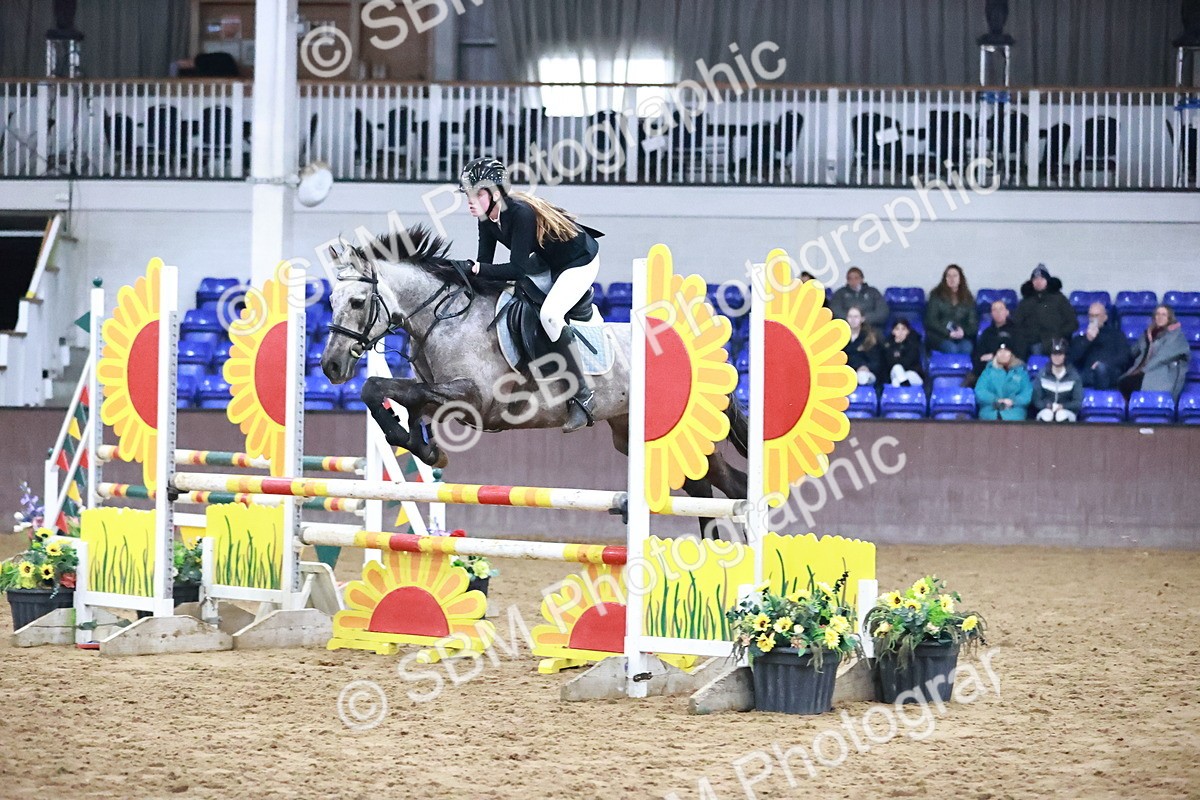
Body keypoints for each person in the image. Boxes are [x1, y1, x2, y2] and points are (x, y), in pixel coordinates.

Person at [458, 157, 604, 432]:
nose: (470, 199)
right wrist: (465, 274)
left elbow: (515, 268)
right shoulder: (486, 220)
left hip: (578, 261)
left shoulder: (521, 214)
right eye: (468, 193)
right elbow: (484, 266)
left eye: (477, 192)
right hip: (548, 260)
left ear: (495, 193)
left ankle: (583, 397)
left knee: (550, 315)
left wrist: (476, 269)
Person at [1118, 304, 1191, 401]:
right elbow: (1133, 352)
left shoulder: (1176, 336)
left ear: (1169, 318)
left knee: (1127, 383)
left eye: (1164, 315)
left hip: (1160, 374)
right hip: (1142, 372)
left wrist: (1142, 370)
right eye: (1157, 314)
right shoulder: (1149, 334)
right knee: (1121, 382)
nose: (1160, 317)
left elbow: (1162, 357)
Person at [1012, 264, 1076, 355]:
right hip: (1031, 342)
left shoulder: (1059, 299)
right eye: (1035, 279)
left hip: (1056, 341)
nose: (1038, 281)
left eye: (1042, 279)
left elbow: (1072, 322)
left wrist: (1059, 334)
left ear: (1047, 281)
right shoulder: (1025, 302)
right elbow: (1016, 324)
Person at [1068, 301, 1130, 390]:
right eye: (1091, 316)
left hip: (1109, 373)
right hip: (1088, 375)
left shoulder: (1117, 335)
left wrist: (1104, 363)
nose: (1093, 319)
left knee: (1101, 369)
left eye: (1096, 316)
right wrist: (1087, 340)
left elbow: (1124, 357)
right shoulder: (1081, 338)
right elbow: (1071, 358)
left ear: (1105, 317)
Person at [924, 264, 978, 355]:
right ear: (944, 279)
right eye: (948, 276)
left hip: (962, 337)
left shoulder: (968, 298)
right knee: (951, 349)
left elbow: (973, 324)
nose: (952, 279)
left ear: (960, 279)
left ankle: (965, 370)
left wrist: (963, 332)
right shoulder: (936, 295)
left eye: (955, 276)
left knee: (967, 348)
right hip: (940, 336)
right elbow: (931, 321)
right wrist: (947, 333)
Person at [975, 342, 1032, 421]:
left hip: (1014, 410)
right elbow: (980, 391)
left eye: (1006, 351)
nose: (1003, 354)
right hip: (991, 409)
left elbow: (1027, 393)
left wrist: (1013, 401)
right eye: (1000, 351)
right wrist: (996, 400)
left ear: (1011, 354)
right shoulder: (988, 372)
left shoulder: (1021, 372)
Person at [972, 299, 1027, 378]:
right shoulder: (987, 333)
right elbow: (979, 355)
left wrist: (995, 356)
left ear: (1007, 312)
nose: (998, 312)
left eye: (1001, 309)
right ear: (991, 314)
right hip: (990, 368)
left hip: (1012, 366)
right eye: (994, 310)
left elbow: (1020, 353)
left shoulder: (1017, 331)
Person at [1032, 339, 1082, 422]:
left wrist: (1063, 406)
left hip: (1067, 411)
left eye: (1060, 354)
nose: (1057, 357)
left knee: (1061, 415)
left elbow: (1077, 402)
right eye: (1054, 354)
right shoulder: (1042, 374)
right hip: (1046, 409)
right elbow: (1036, 400)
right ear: (1050, 356)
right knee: (1046, 415)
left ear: (1064, 356)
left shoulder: (1074, 376)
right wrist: (1048, 406)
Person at [842, 307, 881, 387]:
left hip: (866, 373)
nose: (853, 319)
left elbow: (876, 362)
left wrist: (866, 367)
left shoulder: (869, 337)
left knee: (862, 376)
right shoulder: (841, 338)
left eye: (856, 317)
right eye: (850, 316)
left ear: (862, 319)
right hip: (846, 373)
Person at [880, 318, 924, 386]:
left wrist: (897, 357)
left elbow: (908, 363)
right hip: (894, 373)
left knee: (896, 381)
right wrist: (895, 346)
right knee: (897, 368)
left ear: (908, 331)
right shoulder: (887, 345)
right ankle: (904, 385)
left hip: (912, 375)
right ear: (893, 331)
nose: (900, 332)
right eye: (897, 329)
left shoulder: (914, 344)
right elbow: (889, 363)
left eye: (903, 329)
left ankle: (902, 385)